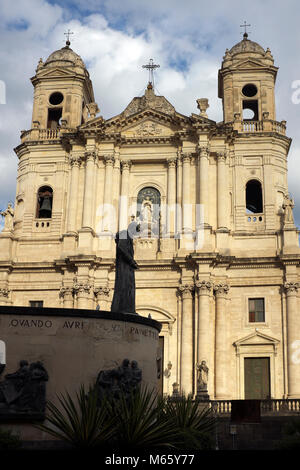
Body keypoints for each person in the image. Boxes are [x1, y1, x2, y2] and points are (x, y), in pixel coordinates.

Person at [111, 222, 139, 314]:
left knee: (128, 289)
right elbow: (121, 247)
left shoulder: (129, 237)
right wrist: (131, 261)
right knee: (124, 287)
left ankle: (128, 308)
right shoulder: (124, 234)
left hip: (128, 267)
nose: (135, 235)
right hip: (124, 267)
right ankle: (122, 308)